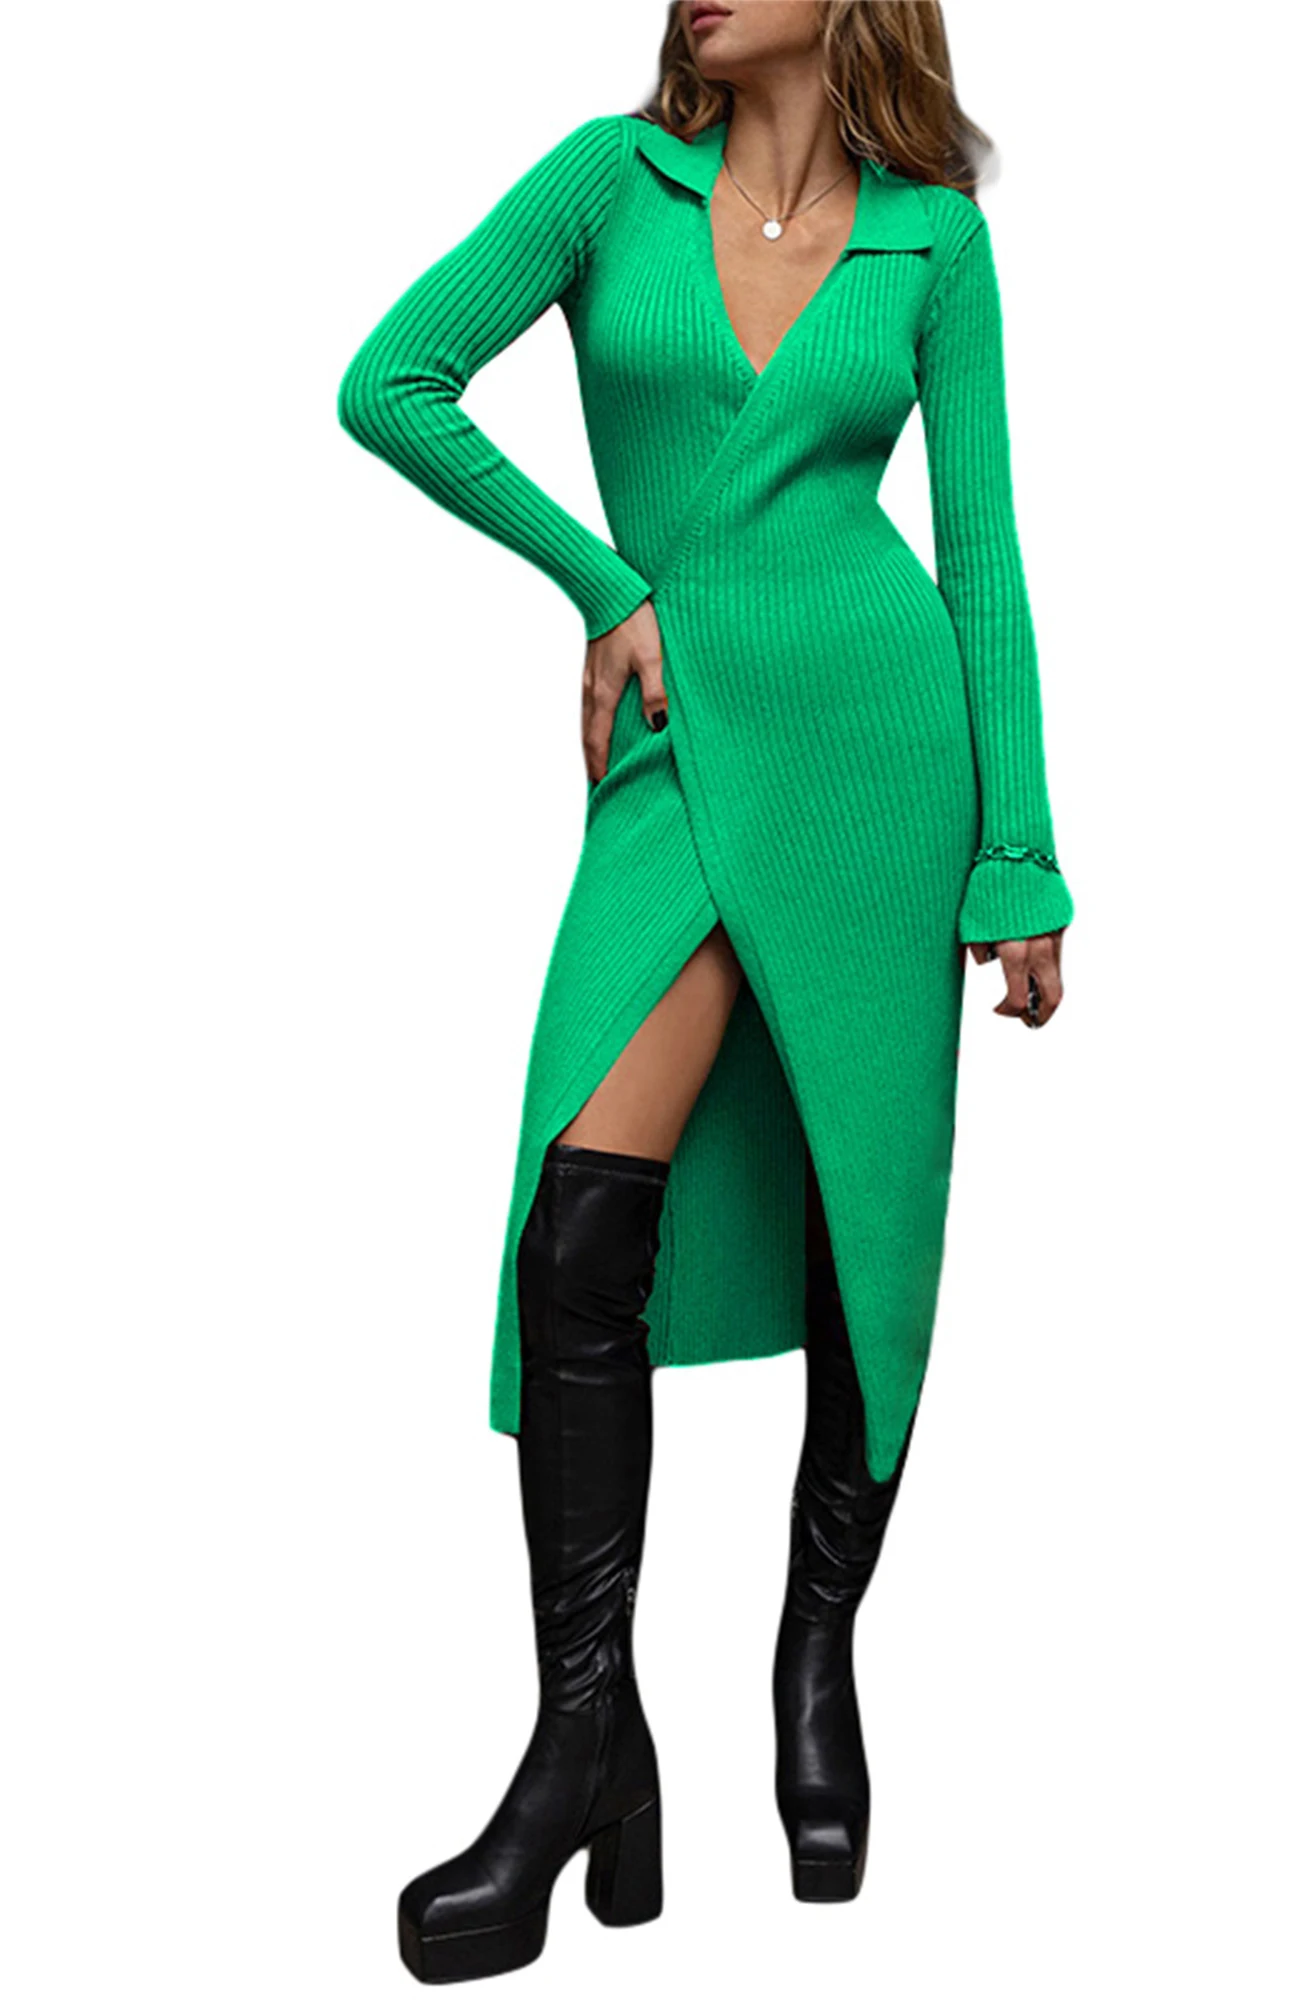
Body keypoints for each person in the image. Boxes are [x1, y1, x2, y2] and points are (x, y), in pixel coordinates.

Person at [336, 0, 1074, 1979]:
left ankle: (815, 1667)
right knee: (577, 1220)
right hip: (679, 750)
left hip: (881, 761)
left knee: (863, 1234)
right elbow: (389, 382)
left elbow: (982, 549)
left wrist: (1019, 847)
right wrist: (602, 583)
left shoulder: (933, 237)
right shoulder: (610, 181)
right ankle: (588, 1740)